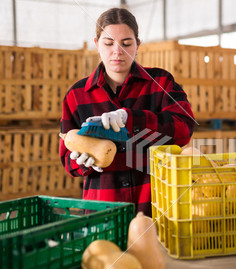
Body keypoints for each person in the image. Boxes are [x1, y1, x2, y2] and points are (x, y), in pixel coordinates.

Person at [60, 7, 195, 216]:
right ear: (97, 44)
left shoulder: (160, 82)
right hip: (102, 211)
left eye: (126, 43)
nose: (117, 51)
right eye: (108, 43)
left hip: (156, 206)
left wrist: (130, 118)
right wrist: (80, 161)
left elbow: (184, 127)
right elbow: (67, 160)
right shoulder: (77, 95)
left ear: (137, 45)